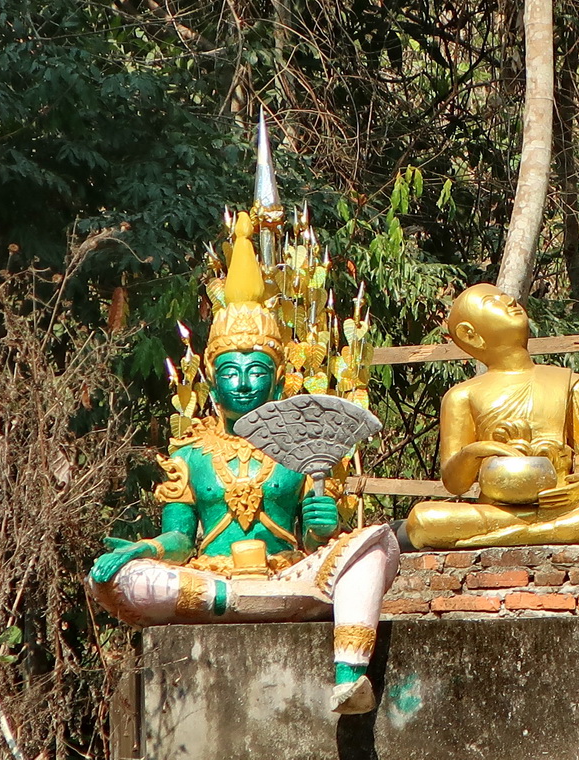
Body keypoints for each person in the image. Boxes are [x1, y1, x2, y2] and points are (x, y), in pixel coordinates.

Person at [88, 211, 398, 714]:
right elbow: (181, 539)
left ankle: (349, 673)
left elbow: (319, 541)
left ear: (278, 382)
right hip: (212, 586)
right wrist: (143, 546)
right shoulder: (189, 453)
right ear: (210, 383)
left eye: (258, 370)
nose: (244, 382)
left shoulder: (303, 448)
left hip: (289, 582)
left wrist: (326, 527)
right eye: (230, 371)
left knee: (375, 544)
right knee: (112, 580)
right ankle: (231, 601)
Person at [403, 283, 579, 549]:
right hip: (501, 510)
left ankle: (535, 533)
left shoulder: (571, 383)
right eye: (492, 301)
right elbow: (454, 483)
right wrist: (477, 451)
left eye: (506, 295)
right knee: (423, 520)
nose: (509, 300)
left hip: (565, 502)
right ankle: (561, 531)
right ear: (471, 334)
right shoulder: (462, 395)